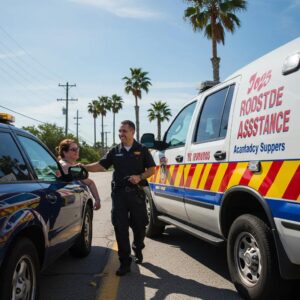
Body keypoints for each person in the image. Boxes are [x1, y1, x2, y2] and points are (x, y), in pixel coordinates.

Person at [83, 120, 155, 276]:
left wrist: (140, 176)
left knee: (140, 225)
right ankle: (124, 262)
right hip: (119, 194)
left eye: (124, 131)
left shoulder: (142, 149)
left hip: (137, 194)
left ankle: (138, 246)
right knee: (120, 227)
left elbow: (151, 169)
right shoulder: (115, 151)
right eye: (120, 131)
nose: (121, 134)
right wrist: (84, 167)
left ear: (132, 132)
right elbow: (101, 165)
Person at [56, 139, 101, 210]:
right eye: (73, 149)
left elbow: (90, 183)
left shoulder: (71, 165)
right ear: (65, 152)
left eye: (77, 149)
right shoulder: (65, 166)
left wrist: (97, 200)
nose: (77, 151)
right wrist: (97, 200)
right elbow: (89, 182)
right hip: (65, 204)